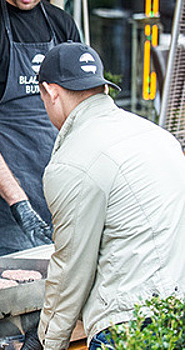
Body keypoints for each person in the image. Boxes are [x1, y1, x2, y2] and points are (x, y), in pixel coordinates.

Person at [35, 42, 185, 350]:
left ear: (50, 92)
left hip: (127, 326)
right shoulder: (159, 137)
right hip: (176, 313)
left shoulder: (72, 161)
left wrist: (47, 342)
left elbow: (70, 271)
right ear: (103, 86)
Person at [0, 0, 81, 261]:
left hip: (58, 194)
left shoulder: (61, 23)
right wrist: (19, 203)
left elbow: (78, 111)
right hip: (3, 208)